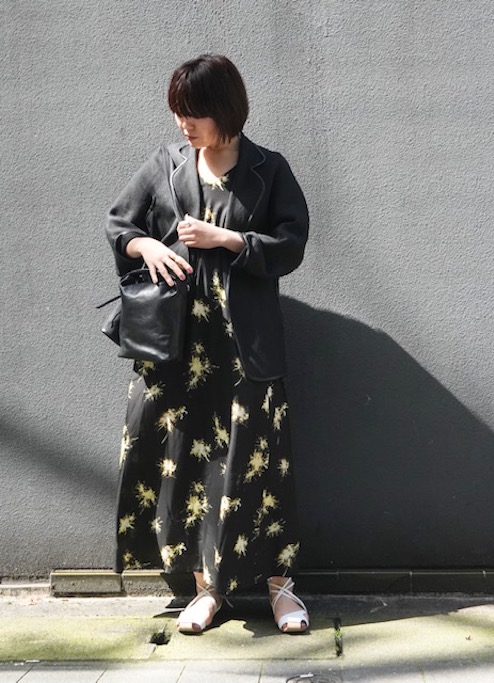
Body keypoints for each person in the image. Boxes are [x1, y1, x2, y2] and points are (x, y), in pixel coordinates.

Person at [106, 54, 309, 634]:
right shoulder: (165, 165)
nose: (183, 124)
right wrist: (148, 246)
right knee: (186, 463)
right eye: (178, 112)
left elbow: (292, 244)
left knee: (260, 463)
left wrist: (229, 239)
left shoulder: (268, 168)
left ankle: (280, 588)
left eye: (194, 112)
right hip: (177, 348)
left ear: (225, 110)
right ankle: (204, 590)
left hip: (245, 349)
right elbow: (119, 224)